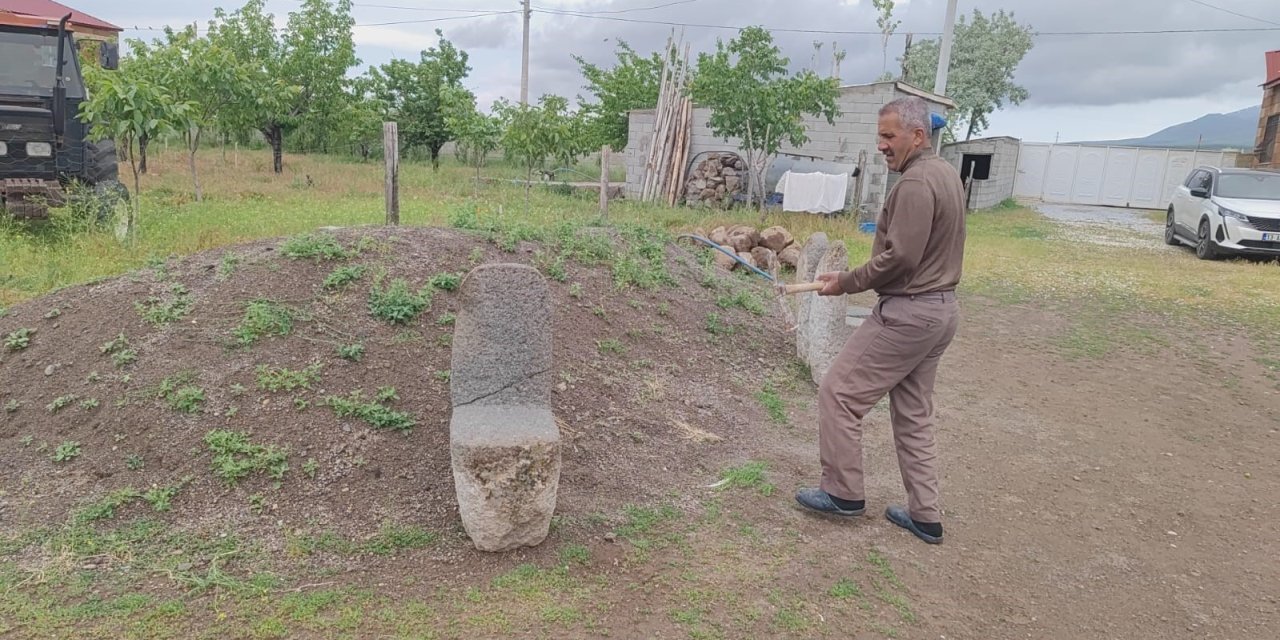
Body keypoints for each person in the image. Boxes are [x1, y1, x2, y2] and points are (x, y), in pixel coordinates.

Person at [794, 95, 966, 545]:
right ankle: (925, 515)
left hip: (909, 313)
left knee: (839, 392)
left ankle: (843, 493)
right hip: (942, 311)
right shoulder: (945, 174)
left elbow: (900, 259)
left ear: (917, 135)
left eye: (890, 136)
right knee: (912, 413)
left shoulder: (914, 184)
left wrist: (845, 282)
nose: (882, 146)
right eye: (880, 137)